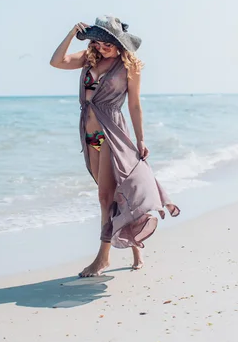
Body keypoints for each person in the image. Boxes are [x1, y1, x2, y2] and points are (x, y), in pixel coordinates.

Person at [50, 16, 180, 277]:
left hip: (113, 133)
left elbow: (134, 105)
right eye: (96, 42)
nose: (100, 47)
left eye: (106, 42)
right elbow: (57, 62)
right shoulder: (89, 58)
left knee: (104, 197)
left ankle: (103, 257)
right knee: (114, 193)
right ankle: (134, 246)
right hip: (90, 137)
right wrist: (71, 33)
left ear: (119, 42)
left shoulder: (129, 66)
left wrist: (141, 139)